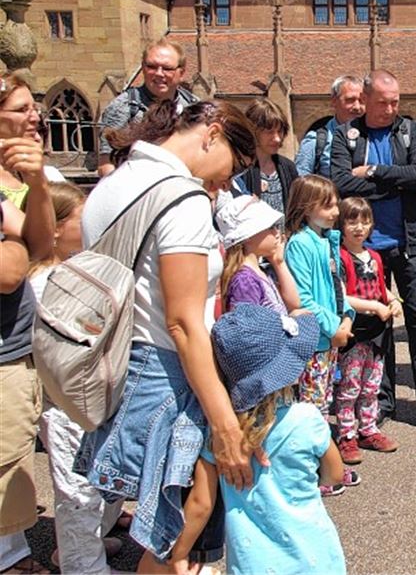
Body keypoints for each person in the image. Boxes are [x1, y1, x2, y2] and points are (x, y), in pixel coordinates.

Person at [75, 100, 256, 572]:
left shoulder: (114, 183)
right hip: (163, 376)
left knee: (170, 543)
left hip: (119, 364)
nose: (224, 183)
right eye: (230, 169)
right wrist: (224, 423)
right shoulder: (182, 196)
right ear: (211, 133)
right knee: (174, 538)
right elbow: (182, 322)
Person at [171, 303, 346, 575]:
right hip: (316, 557)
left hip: (252, 563)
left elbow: (200, 504)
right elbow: (334, 475)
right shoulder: (307, 419)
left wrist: (178, 554)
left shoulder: (220, 437)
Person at [330, 70, 416, 437]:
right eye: (383, 102)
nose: (390, 108)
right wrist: (393, 183)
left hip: (410, 243)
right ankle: (380, 403)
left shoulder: (409, 130)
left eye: (395, 101)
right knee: (374, 329)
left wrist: (375, 172)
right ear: (365, 99)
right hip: (365, 249)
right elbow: (340, 183)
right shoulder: (345, 135)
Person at [27, 183, 127, 573]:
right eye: (78, 218)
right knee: (77, 489)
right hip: (66, 399)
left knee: (99, 479)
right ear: (53, 227)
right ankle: (83, 566)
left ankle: (80, 550)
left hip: (87, 394)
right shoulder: (44, 282)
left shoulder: (72, 268)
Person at [0, 69, 54, 575]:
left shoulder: (13, 179)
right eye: (20, 109)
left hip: (15, 343)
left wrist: (37, 181)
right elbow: (12, 271)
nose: (34, 115)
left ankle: (13, 555)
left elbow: (41, 243)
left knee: (13, 453)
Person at [283, 175, 357, 494]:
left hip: (330, 338)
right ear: (306, 207)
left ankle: (325, 467)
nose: (335, 211)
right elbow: (303, 299)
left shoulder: (326, 240)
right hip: (313, 341)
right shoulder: (300, 243)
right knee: (312, 407)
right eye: (326, 205)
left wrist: (347, 319)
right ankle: (317, 472)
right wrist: (334, 325)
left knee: (321, 402)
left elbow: (338, 289)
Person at [333, 196, 401, 465]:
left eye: (364, 221)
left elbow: (380, 286)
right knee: (350, 385)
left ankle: (368, 429)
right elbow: (341, 296)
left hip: (377, 330)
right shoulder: (339, 257)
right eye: (352, 222)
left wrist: (392, 299)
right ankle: (347, 434)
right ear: (342, 225)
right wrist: (374, 306)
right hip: (355, 330)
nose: (359, 228)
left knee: (372, 385)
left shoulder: (373, 256)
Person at [96, 38, 199, 177]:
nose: (159, 73)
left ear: (181, 73)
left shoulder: (193, 107)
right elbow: (106, 164)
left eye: (167, 68)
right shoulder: (123, 107)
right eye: (151, 66)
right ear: (143, 68)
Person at [216, 194, 302, 315]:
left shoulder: (260, 271)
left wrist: (279, 263)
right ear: (247, 237)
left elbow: (295, 304)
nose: (277, 233)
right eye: (271, 228)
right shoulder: (245, 281)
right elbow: (249, 329)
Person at [231, 99, 298, 230]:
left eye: (280, 131)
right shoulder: (240, 169)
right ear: (253, 130)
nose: (277, 138)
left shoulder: (288, 167)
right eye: (270, 132)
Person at [295, 75, 365, 176]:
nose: (357, 107)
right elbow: (301, 183)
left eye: (362, 100)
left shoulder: (374, 138)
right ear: (334, 101)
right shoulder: (316, 141)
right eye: (350, 100)